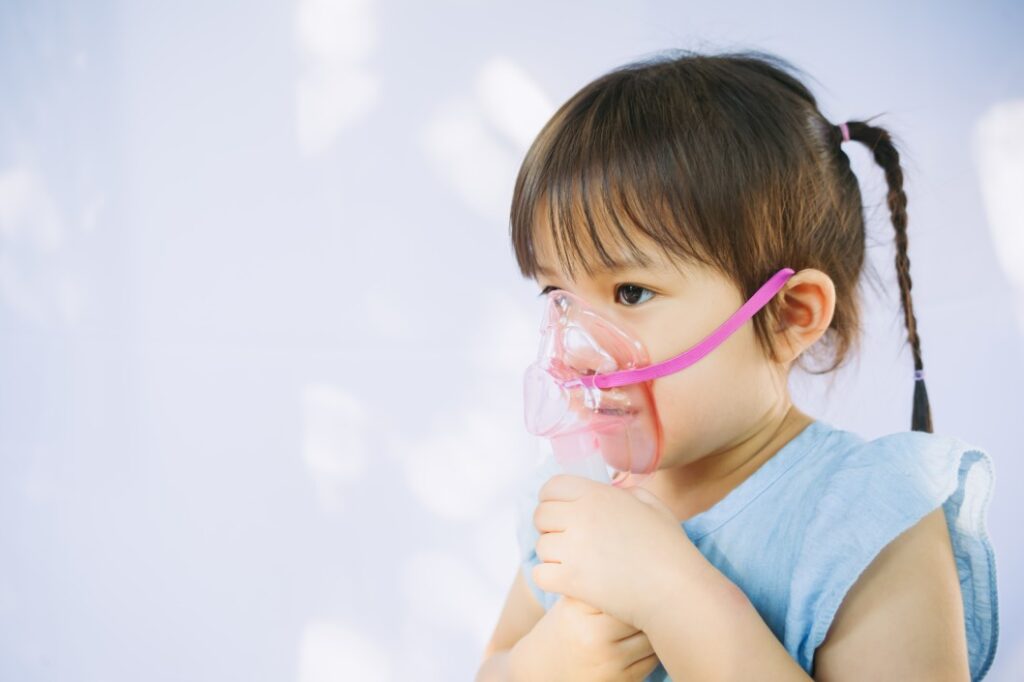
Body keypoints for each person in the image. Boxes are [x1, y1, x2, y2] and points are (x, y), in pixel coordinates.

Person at [476, 48, 998, 681]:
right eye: (557, 296)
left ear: (788, 315)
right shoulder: (572, 503)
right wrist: (547, 664)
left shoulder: (866, 520)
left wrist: (673, 594)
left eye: (631, 292)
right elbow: (494, 666)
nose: (575, 349)